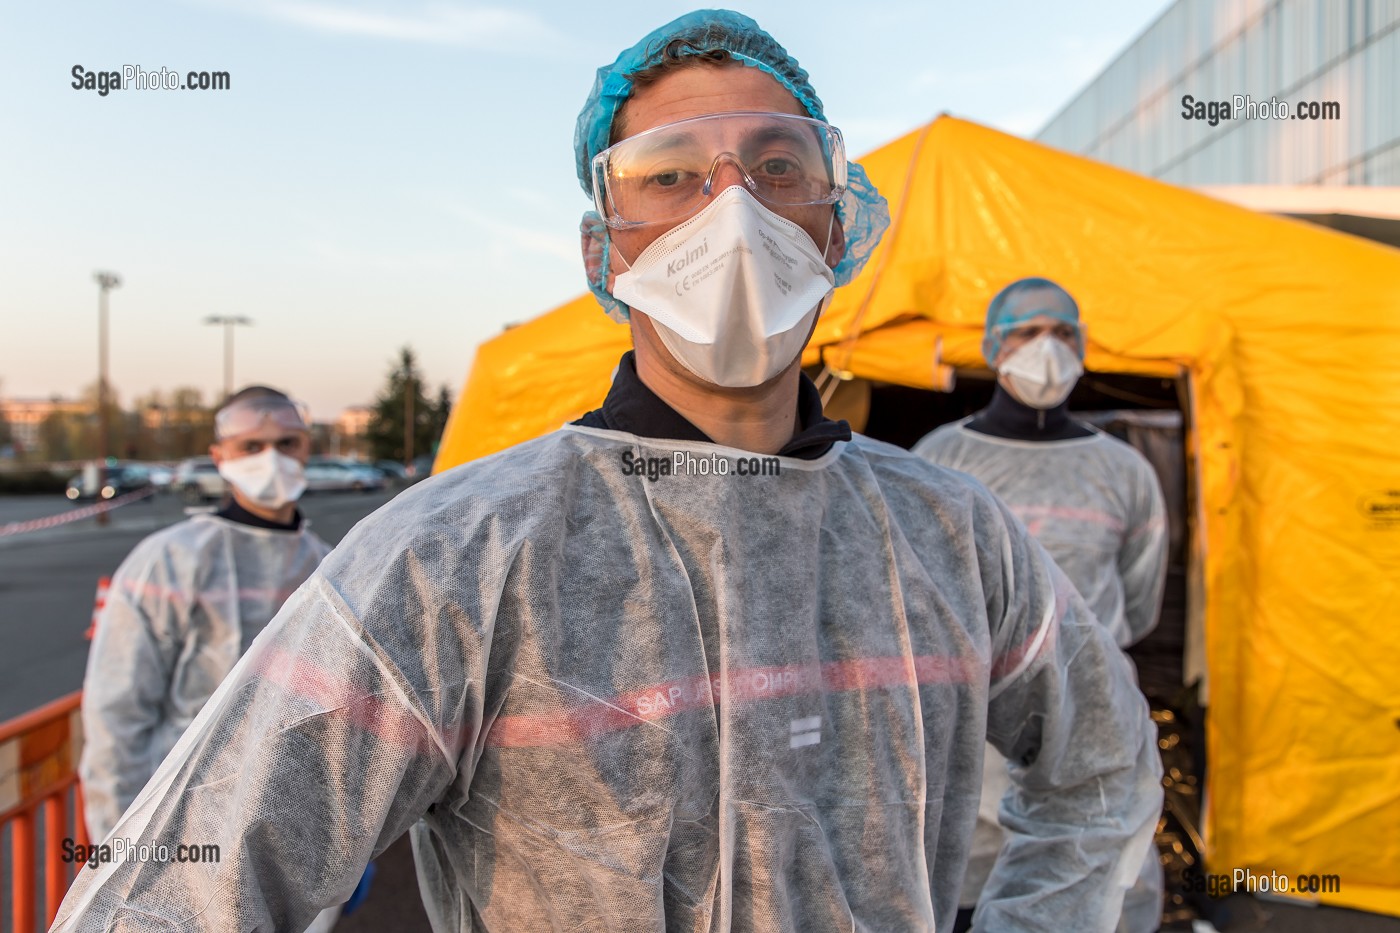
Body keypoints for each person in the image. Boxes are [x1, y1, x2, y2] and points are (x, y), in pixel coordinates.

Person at [54, 13, 1161, 933]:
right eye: (670, 176)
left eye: (778, 167)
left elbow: (1101, 773)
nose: (732, 209)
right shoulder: (451, 557)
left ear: (838, 225)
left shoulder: (951, 532)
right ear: (604, 251)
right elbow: (173, 895)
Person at [912, 278, 1170, 932]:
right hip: (973, 728)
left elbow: (1138, 603)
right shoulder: (940, 461)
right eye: (1026, 332)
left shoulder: (1125, 471)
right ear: (992, 347)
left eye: (1061, 332)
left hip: (1094, 722)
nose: (1045, 347)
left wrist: (1081, 660)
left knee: (1096, 880)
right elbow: (912, 603)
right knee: (962, 886)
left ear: (1082, 344)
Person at [77, 387, 343, 932]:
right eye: (251, 446)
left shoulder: (332, 568)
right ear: (219, 456)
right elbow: (116, 716)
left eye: (286, 443)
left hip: (300, 834)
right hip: (181, 833)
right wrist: (119, 858)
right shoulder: (169, 561)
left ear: (307, 449)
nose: (271, 458)